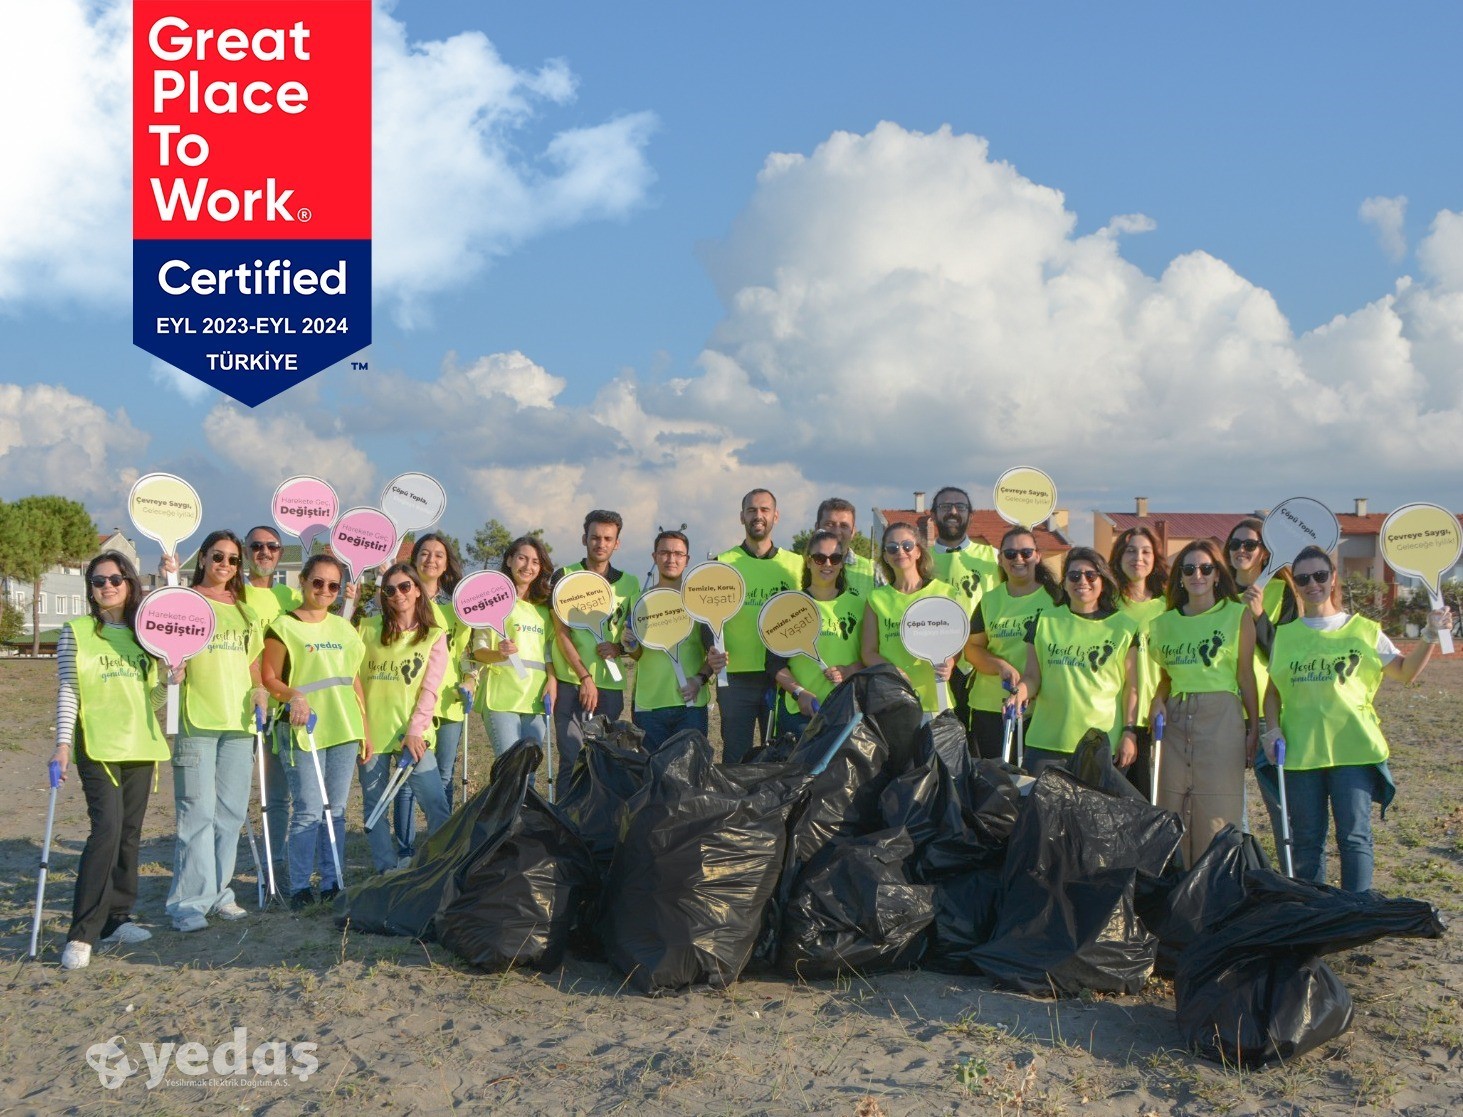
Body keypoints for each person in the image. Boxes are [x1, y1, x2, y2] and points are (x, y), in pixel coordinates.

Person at [1262, 546, 1452, 892]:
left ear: (1333, 578)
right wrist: (1272, 729)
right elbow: (1272, 692)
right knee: (1306, 839)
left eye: (1320, 575)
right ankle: (1314, 912)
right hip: (1302, 753)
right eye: (1303, 579)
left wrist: (1428, 636)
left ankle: (1358, 910)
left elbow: (1405, 672)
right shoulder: (1285, 635)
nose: (1312, 584)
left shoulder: (1364, 630)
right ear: (1296, 586)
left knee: (1354, 837)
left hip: (1354, 750)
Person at [51, 552, 174, 970]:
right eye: (98, 580)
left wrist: (169, 678)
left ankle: (117, 918)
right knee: (105, 832)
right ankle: (82, 932)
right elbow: (69, 691)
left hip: (140, 745)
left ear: (130, 583)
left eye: (115, 579)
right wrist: (62, 744)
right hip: (98, 746)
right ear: (90, 588)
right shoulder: (77, 632)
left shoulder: (146, 637)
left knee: (129, 835)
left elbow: (150, 701)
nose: (107, 586)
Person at [164, 531, 268, 932]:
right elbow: (163, 644)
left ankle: (219, 892)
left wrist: (259, 689)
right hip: (197, 722)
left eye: (233, 559)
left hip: (239, 725)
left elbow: (253, 662)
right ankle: (188, 903)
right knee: (197, 814)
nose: (225, 564)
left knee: (230, 815)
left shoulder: (244, 611)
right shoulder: (183, 600)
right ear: (204, 558)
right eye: (218, 556)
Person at [261, 554, 370, 910]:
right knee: (308, 809)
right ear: (304, 581)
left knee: (335, 810)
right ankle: (299, 887)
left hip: (344, 728)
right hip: (301, 728)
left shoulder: (344, 628)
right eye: (318, 582)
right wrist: (294, 695)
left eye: (333, 585)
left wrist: (365, 729)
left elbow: (354, 680)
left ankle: (332, 879)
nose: (324, 590)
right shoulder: (283, 626)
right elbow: (269, 678)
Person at [1147, 540, 1258, 868]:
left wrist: (1253, 726)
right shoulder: (1163, 623)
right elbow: (1166, 678)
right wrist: (1157, 700)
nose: (1198, 575)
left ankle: (1214, 884)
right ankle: (1177, 885)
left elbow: (1246, 675)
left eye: (1206, 568)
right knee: (1172, 805)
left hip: (1221, 717)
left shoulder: (1237, 615)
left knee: (1217, 810)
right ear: (1180, 577)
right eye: (1189, 569)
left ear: (1217, 575)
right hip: (1175, 720)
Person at [1007, 548, 1139, 775]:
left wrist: (1129, 732)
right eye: (1074, 576)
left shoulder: (1125, 627)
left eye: (1091, 575)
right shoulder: (1044, 621)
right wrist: (1018, 694)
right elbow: (1032, 677)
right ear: (1065, 583)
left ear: (1103, 581)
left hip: (1099, 742)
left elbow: (1132, 687)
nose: (1082, 581)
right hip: (1046, 741)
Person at [357, 564, 451, 874]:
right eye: (390, 589)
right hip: (372, 733)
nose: (398, 594)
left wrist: (415, 730)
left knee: (435, 802)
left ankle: (442, 866)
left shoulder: (434, 636)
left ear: (417, 590)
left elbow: (430, 688)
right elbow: (353, 679)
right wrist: (362, 728)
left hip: (414, 735)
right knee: (375, 804)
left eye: (405, 586)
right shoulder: (367, 629)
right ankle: (386, 869)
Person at [387, 533, 475, 860]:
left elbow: (466, 653)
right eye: (425, 553)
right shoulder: (401, 597)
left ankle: (441, 846)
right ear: (415, 558)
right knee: (408, 777)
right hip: (411, 701)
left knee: (443, 777)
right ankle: (405, 849)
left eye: (439, 555)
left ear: (447, 563)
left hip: (448, 701)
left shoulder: (457, 606)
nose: (431, 560)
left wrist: (471, 679)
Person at [549, 511, 640, 784]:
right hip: (571, 683)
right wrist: (584, 677)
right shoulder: (564, 576)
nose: (601, 543)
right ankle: (566, 812)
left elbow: (633, 636)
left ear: (617, 543)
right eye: (595, 537)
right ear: (584, 539)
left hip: (610, 686)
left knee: (603, 763)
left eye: (608, 539)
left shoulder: (630, 583)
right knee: (572, 758)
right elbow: (561, 633)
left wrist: (618, 649)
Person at [717, 490, 803, 761]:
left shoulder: (796, 565)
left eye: (765, 510)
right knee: (735, 755)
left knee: (780, 754)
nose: (758, 516)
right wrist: (711, 651)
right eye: (752, 510)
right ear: (741, 516)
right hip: (735, 676)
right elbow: (706, 617)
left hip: (782, 675)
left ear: (776, 516)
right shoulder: (723, 563)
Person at [963, 525, 1060, 759]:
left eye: (1026, 553)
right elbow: (972, 649)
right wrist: (1000, 666)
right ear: (1000, 559)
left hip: (1041, 709)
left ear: (1038, 556)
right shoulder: (989, 600)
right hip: (990, 707)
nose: (1019, 559)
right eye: (1010, 554)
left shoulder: (1056, 599)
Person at [627, 530, 726, 751]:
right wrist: (630, 644)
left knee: (689, 769)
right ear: (654, 557)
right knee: (653, 769)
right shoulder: (637, 601)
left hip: (691, 705)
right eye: (664, 552)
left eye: (678, 554)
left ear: (687, 559)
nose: (671, 559)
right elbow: (636, 654)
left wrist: (698, 680)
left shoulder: (699, 602)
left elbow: (713, 652)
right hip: (649, 706)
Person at [241, 524, 300, 875]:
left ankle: (276, 862)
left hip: (280, 709)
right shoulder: (235, 594)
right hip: (241, 707)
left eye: (273, 546)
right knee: (235, 795)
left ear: (280, 552)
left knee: (278, 795)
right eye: (257, 546)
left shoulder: (290, 598)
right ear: (246, 551)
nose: (265, 552)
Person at [770, 530, 865, 739]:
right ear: (809, 562)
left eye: (835, 558)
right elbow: (774, 663)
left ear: (842, 563)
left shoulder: (859, 606)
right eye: (820, 558)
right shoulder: (790, 605)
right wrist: (799, 693)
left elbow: (868, 658)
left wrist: (849, 670)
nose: (827, 564)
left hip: (846, 711)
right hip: (801, 713)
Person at [861, 523, 959, 715]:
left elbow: (957, 642)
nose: (900, 551)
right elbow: (868, 653)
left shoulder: (944, 592)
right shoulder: (876, 598)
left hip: (936, 699)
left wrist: (951, 663)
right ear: (885, 557)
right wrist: (893, 671)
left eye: (907, 545)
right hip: (893, 700)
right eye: (892, 548)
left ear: (918, 551)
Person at [473, 535, 555, 762]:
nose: (528, 566)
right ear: (509, 560)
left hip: (535, 698)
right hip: (501, 697)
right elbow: (478, 650)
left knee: (529, 768)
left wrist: (552, 680)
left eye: (535, 562)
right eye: (522, 558)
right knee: (511, 765)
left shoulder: (544, 608)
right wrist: (498, 653)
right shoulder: (490, 601)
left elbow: (549, 652)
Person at [929, 485, 1001, 730]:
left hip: (982, 664)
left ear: (971, 515)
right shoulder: (920, 559)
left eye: (960, 506)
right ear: (933, 515)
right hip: (935, 665)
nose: (953, 511)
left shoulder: (993, 557)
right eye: (945, 506)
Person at [1110, 526, 1170, 797]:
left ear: (1155, 558)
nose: (1138, 558)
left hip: (1156, 715)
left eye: (1146, 551)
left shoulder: (1168, 606)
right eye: (1131, 551)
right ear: (1119, 557)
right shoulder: (1108, 603)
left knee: (1150, 796)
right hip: (1116, 716)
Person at [814, 497, 876, 596]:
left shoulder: (873, 572)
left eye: (844, 526)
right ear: (817, 527)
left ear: (853, 532)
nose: (836, 532)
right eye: (829, 524)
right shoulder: (799, 567)